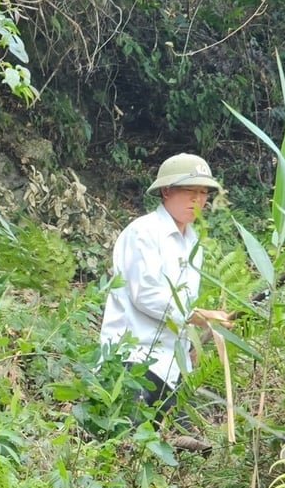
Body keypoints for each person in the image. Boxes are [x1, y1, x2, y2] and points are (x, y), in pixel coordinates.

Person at [98, 153, 233, 427]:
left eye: (204, 192)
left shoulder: (193, 243)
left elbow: (184, 303)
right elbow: (146, 294)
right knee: (126, 446)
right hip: (131, 360)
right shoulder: (143, 233)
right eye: (189, 191)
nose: (198, 200)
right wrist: (198, 315)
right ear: (166, 191)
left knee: (182, 452)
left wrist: (193, 340)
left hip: (171, 368)